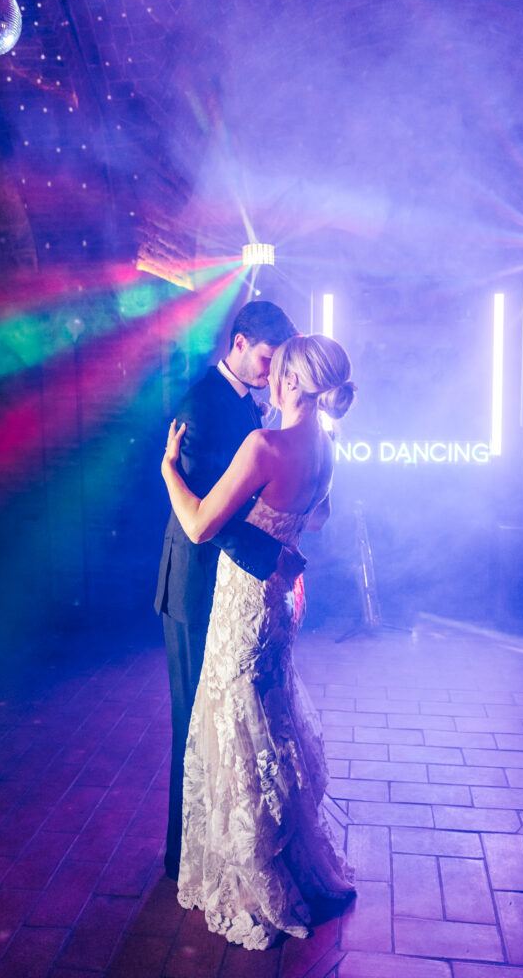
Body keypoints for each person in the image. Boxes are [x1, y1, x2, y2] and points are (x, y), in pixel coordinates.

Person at [160, 333, 357, 950]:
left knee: (236, 727)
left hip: (244, 604)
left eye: (278, 371)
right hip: (277, 601)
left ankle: (255, 874)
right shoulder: (326, 447)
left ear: (292, 383)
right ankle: (292, 857)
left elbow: (196, 525)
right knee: (268, 720)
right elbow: (314, 520)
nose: (269, 378)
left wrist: (168, 467)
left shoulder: (264, 445)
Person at [154, 301, 300, 881]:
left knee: (224, 725)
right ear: (239, 344)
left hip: (232, 581)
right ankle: (181, 858)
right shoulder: (201, 406)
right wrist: (276, 560)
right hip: (195, 580)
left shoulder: (244, 401)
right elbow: (210, 519)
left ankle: (221, 849)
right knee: (192, 724)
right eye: (266, 359)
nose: (270, 372)